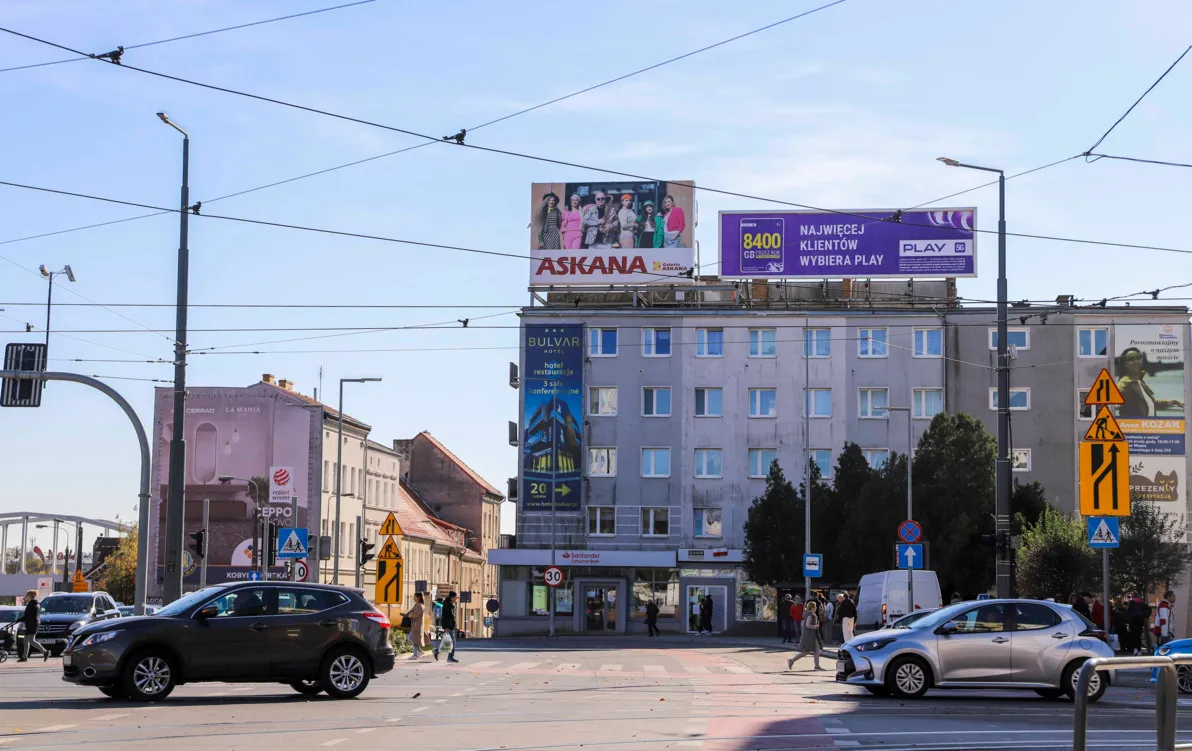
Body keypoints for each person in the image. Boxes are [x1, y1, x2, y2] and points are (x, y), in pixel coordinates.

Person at [1117, 346, 1185, 418]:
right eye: (1131, 359)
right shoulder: (1124, 384)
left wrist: (1174, 402)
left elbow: (1152, 404)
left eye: (1138, 358)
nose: (1136, 361)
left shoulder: (1139, 382)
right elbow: (1117, 405)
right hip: (1136, 424)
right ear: (1125, 364)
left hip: (1148, 424)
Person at [786, 600, 825, 671]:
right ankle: (792, 661)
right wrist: (815, 626)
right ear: (812, 607)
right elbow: (808, 625)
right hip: (810, 636)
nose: (816, 608)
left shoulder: (808, 614)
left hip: (811, 635)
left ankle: (816, 666)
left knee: (814, 650)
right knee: (807, 651)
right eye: (815, 607)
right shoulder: (810, 615)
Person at [18, 589, 47, 663]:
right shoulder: (33, 604)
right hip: (31, 624)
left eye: (26, 595)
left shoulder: (32, 605)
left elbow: (28, 615)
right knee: (26, 640)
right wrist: (21, 619)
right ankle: (24, 657)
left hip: (32, 624)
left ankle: (45, 651)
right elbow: (28, 615)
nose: (26, 597)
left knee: (31, 640)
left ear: (30, 596)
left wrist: (20, 619)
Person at [434, 591, 460, 663]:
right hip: (448, 626)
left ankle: (437, 651)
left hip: (450, 626)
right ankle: (450, 658)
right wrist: (446, 627)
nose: (456, 599)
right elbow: (446, 617)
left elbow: (452, 617)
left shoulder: (450, 604)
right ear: (452, 597)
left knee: (448, 642)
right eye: (455, 597)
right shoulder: (447, 605)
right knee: (452, 642)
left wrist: (454, 624)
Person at [404, 592, 426, 660]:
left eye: (415, 597)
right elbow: (411, 612)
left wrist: (409, 615)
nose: (414, 598)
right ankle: (418, 652)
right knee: (413, 639)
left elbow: (415, 615)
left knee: (412, 639)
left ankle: (416, 654)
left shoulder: (419, 605)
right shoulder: (417, 605)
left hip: (417, 626)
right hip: (415, 626)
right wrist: (406, 614)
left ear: (418, 597)